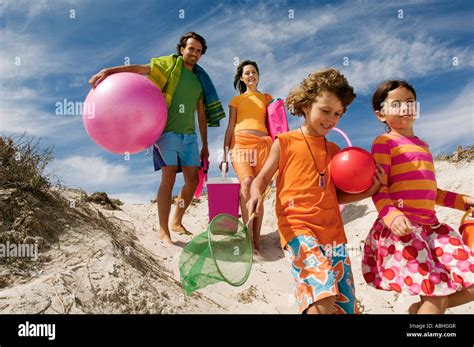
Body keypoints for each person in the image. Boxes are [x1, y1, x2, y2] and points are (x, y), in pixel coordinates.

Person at [247, 68, 383, 314]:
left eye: (338, 114)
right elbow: (262, 178)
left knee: (344, 306)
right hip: (298, 229)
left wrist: (369, 190)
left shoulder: (334, 150)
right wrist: (256, 193)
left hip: (334, 234)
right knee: (321, 295)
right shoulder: (285, 142)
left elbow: (337, 196)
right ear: (307, 105)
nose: (331, 119)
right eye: (326, 110)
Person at [89, 32, 225, 244]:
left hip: (189, 136)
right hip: (166, 133)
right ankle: (164, 231)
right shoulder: (168, 66)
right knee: (168, 178)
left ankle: (177, 221)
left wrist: (205, 145)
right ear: (182, 49)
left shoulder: (200, 81)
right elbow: (141, 69)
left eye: (198, 51)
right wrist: (110, 71)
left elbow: (201, 114)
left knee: (193, 180)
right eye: (191, 49)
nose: (194, 54)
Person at [362, 79, 474, 314]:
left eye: (410, 102)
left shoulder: (423, 146)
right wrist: (391, 216)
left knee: (465, 284)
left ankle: (418, 310)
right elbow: (379, 188)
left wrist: (464, 201)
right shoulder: (384, 142)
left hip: (433, 230)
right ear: (381, 115)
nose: (405, 108)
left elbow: (433, 193)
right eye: (396, 104)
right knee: (437, 294)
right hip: (404, 229)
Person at [220, 60, 273, 250]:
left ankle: (256, 241)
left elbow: (276, 125)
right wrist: (225, 154)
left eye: (254, 72)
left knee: (258, 191)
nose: (251, 75)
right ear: (241, 78)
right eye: (247, 73)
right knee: (247, 182)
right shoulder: (236, 100)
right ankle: (247, 237)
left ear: (258, 75)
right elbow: (229, 127)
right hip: (240, 143)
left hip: (263, 145)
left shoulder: (267, 98)